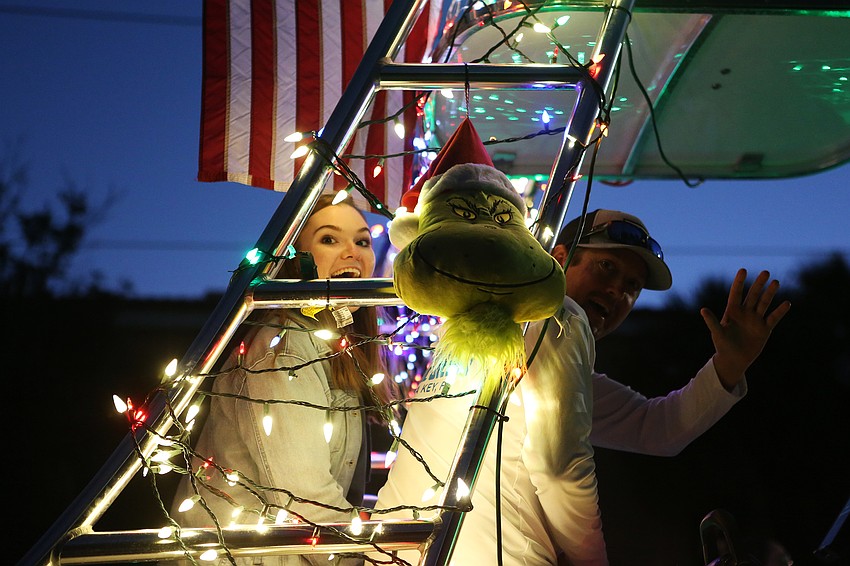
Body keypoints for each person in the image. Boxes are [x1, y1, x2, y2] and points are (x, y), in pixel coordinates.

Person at [171, 194, 394, 565]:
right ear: (298, 261)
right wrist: (386, 558)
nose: (352, 253)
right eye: (329, 239)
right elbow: (306, 503)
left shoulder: (337, 350)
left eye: (362, 241)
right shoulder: (283, 350)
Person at [554, 209, 790, 457]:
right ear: (559, 259)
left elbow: (657, 430)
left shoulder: (572, 376)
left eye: (632, 285)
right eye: (606, 266)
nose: (617, 290)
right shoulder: (513, 319)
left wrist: (730, 364)